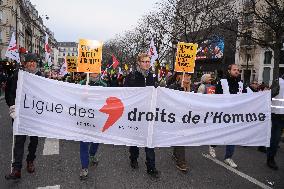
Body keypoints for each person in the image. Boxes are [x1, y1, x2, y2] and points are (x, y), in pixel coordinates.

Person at [5, 53, 41, 180]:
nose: (32, 63)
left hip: (35, 115)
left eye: (34, 61)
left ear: (36, 63)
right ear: (25, 64)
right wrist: (11, 106)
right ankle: (16, 168)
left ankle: (30, 160)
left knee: (34, 141)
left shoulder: (41, 78)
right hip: (20, 114)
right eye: (29, 61)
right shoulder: (17, 75)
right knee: (19, 141)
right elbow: (9, 91)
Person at [124, 53, 160, 179]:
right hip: (135, 114)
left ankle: (151, 166)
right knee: (134, 139)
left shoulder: (152, 76)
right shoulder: (131, 77)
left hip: (149, 114)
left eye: (148, 61)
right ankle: (133, 157)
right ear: (139, 62)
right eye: (144, 61)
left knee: (149, 140)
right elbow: (126, 94)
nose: (147, 63)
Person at [211, 64, 249, 168]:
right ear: (229, 71)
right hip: (223, 113)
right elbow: (216, 97)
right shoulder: (222, 82)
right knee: (220, 133)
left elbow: (246, 97)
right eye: (234, 69)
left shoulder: (241, 84)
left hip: (235, 114)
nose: (237, 71)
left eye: (238, 70)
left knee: (232, 135)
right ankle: (212, 145)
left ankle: (228, 157)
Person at [78, 72, 107, 180]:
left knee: (96, 140)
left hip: (98, 118)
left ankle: (92, 155)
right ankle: (84, 167)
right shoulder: (81, 84)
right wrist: (83, 97)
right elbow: (75, 100)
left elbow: (105, 100)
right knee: (84, 142)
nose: (95, 72)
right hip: (85, 118)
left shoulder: (104, 85)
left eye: (97, 70)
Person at [167, 72, 191, 172]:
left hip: (186, 116)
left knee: (180, 136)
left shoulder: (192, 87)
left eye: (189, 76)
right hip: (175, 116)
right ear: (179, 77)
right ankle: (181, 161)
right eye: (186, 75)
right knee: (180, 136)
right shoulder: (173, 87)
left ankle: (176, 155)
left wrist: (188, 89)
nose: (188, 78)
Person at [267, 77, 283, 170]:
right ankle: (270, 159)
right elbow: (270, 94)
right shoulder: (278, 81)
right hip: (277, 115)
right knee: (275, 139)